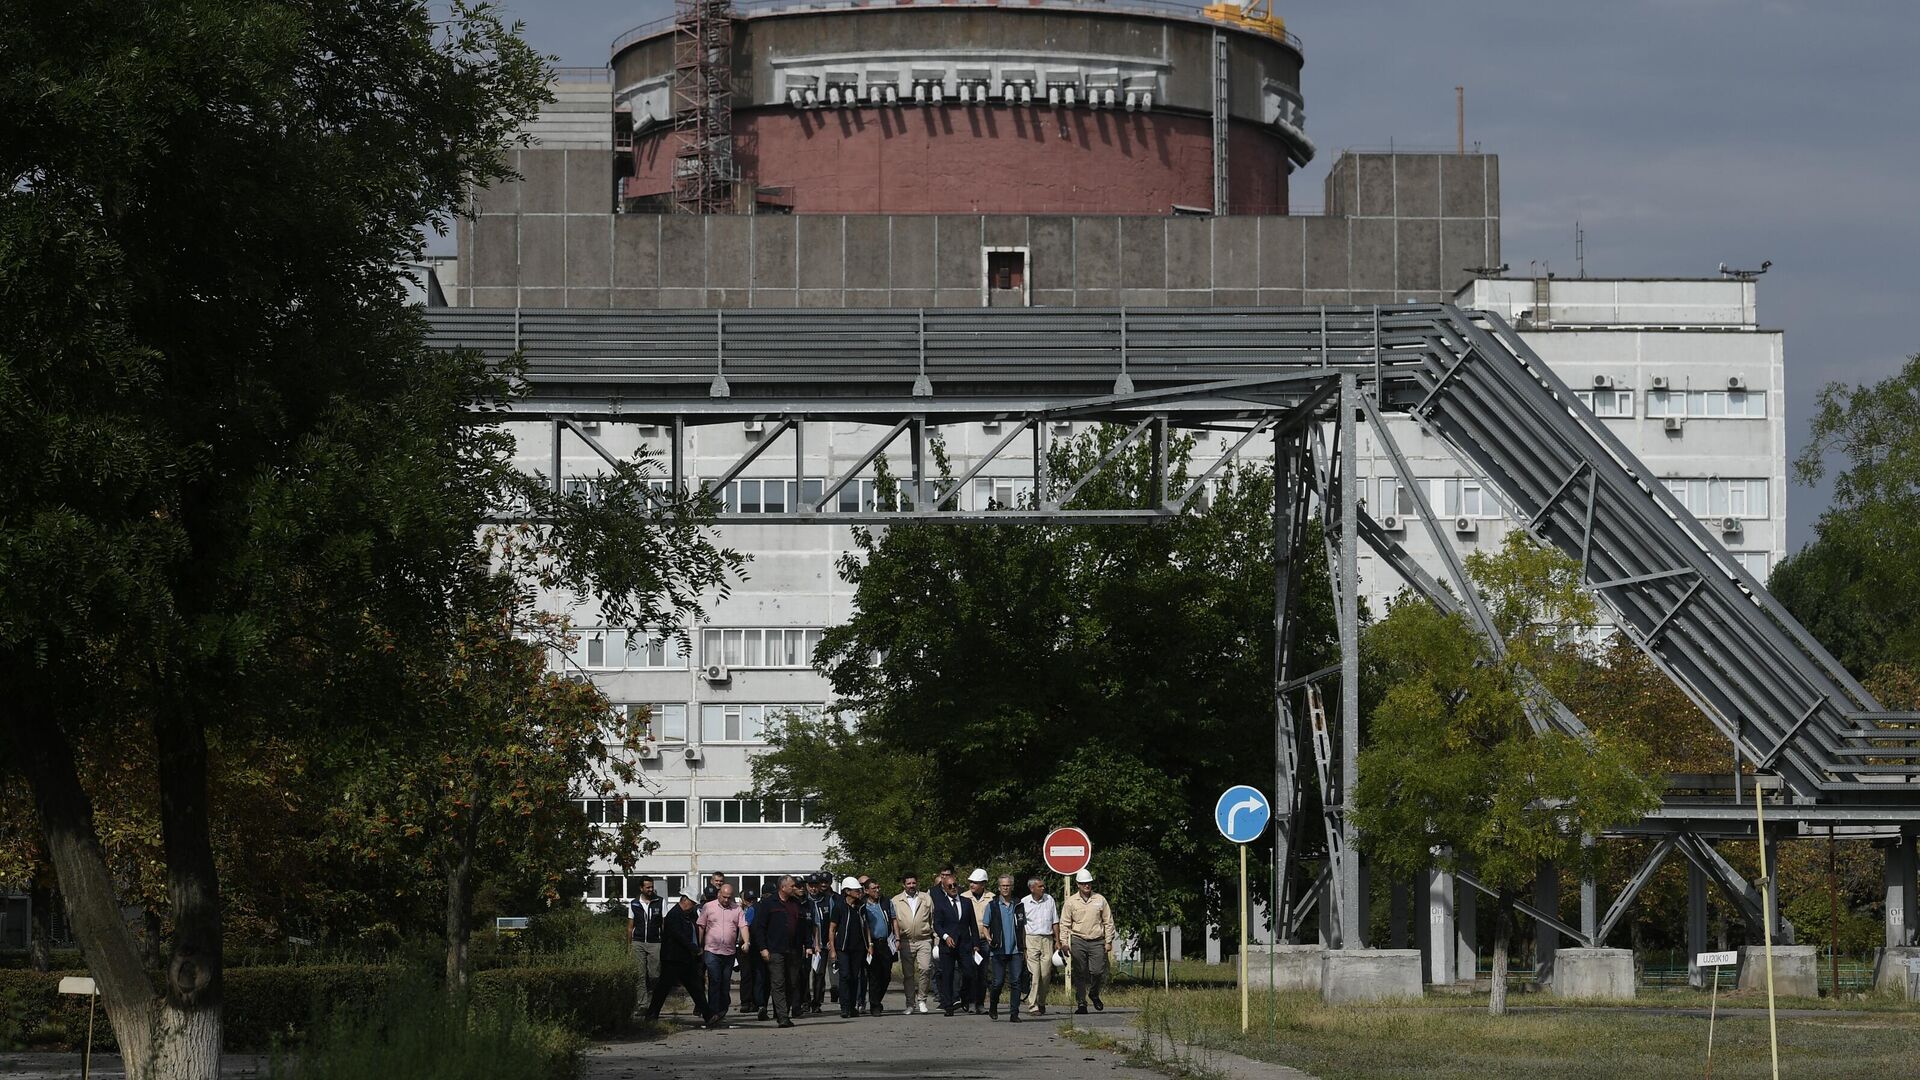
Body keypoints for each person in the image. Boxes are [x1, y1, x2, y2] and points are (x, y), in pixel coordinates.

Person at [645, 893, 724, 1028]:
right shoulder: (674, 915)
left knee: (695, 988)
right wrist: (694, 948)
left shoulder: (690, 915)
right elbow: (679, 936)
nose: (693, 906)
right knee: (663, 988)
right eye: (692, 903)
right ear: (685, 900)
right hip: (673, 959)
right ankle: (651, 1015)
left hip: (686, 959)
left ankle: (708, 1015)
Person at [752, 875, 816, 1028]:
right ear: (783, 887)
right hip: (775, 949)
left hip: (793, 949)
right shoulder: (768, 904)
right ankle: (782, 1017)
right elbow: (759, 928)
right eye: (793, 886)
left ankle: (781, 1011)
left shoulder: (796, 904)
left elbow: (804, 927)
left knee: (791, 983)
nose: (796, 888)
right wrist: (763, 948)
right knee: (778, 982)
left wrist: (808, 945)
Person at [1058, 868, 1116, 1013]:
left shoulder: (1100, 899)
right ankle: (1081, 1003)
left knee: (1097, 971)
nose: (1086, 886)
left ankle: (1094, 993)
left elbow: (1108, 921)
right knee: (1079, 972)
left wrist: (1108, 941)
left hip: (1097, 940)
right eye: (1083, 883)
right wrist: (1064, 942)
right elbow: (1064, 923)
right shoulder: (1071, 902)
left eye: (1088, 883)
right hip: (1078, 939)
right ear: (1078, 884)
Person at [697, 881, 750, 1019]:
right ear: (719, 894)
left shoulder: (736, 909)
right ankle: (713, 1011)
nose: (726, 900)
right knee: (715, 980)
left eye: (729, 897)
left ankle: (723, 1007)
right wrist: (699, 945)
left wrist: (746, 941)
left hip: (729, 952)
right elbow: (701, 926)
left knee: (725, 982)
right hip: (711, 950)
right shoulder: (708, 907)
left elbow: (743, 926)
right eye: (724, 897)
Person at [929, 864, 976, 1016]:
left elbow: (973, 924)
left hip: (964, 944)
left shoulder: (966, 902)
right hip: (947, 944)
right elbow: (937, 924)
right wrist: (945, 936)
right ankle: (948, 1005)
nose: (953, 888)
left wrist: (975, 944)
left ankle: (964, 995)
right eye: (950, 886)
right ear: (944, 888)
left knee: (969, 973)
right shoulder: (941, 905)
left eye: (955, 885)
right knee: (947, 975)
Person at [982, 875, 1027, 1022]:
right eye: (1003, 886)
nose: (1005, 888)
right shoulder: (992, 905)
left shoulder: (1018, 904)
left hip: (1016, 950)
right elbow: (985, 926)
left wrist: (1024, 947)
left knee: (1016, 981)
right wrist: (989, 938)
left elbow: (1022, 928)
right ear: (999, 887)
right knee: (998, 982)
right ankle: (993, 1006)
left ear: (1011, 886)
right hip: (998, 950)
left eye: (1008, 885)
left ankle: (1014, 1013)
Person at [890, 872, 936, 1014]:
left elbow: (932, 919)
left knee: (925, 969)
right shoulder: (896, 900)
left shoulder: (926, 898)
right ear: (903, 885)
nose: (911, 886)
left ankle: (922, 999)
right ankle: (910, 1003)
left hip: (924, 939)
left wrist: (936, 938)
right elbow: (893, 922)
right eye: (908, 883)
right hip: (906, 941)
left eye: (913, 883)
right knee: (908, 974)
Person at [827, 876, 871, 1019]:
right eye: (856, 890)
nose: (859, 892)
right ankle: (844, 1007)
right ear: (847, 891)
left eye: (859, 889)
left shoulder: (861, 907)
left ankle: (852, 1007)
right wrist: (832, 950)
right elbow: (832, 929)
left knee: (854, 977)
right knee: (845, 976)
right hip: (843, 948)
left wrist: (869, 945)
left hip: (858, 948)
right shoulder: (839, 907)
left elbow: (867, 927)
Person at [1019, 875, 1059, 1015]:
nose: (1043, 888)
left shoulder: (1049, 900)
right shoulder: (1024, 902)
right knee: (1034, 974)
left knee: (1046, 974)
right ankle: (1032, 1005)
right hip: (1031, 939)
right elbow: (1021, 926)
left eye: (1043, 886)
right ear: (1032, 888)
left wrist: (1057, 941)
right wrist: (1023, 946)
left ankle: (1041, 1001)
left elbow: (1055, 921)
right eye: (1040, 886)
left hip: (1047, 939)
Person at [627, 875, 664, 1003]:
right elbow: (630, 927)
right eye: (647, 887)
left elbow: (664, 924)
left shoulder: (660, 901)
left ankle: (655, 1002)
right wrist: (629, 945)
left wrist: (665, 943)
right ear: (641, 888)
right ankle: (642, 1003)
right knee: (640, 975)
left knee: (655, 975)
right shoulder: (634, 903)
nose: (650, 889)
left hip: (655, 943)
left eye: (652, 887)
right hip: (638, 942)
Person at [962, 867, 993, 1011]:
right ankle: (967, 1000)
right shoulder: (963, 897)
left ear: (983, 884)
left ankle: (979, 1003)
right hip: (968, 941)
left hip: (984, 940)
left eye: (975, 882)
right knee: (969, 972)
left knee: (982, 973)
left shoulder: (992, 898)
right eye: (971, 882)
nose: (972, 885)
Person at [803, 873, 834, 1014]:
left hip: (823, 945)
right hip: (807, 945)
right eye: (811, 885)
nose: (814, 889)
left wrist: (831, 941)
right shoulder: (803, 901)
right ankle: (805, 1001)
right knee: (804, 973)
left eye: (816, 885)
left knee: (819, 974)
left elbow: (834, 923)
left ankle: (817, 1002)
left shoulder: (827, 900)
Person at [863, 879, 894, 1015]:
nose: (877, 890)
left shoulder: (886, 902)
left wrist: (897, 938)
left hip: (886, 942)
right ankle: (874, 1005)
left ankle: (877, 1000)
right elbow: (865, 926)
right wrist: (869, 944)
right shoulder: (863, 905)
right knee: (874, 975)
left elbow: (894, 919)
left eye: (878, 887)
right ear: (866, 891)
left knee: (886, 975)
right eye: (873, 888)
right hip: (871, 944)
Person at [740, 887, 768, 1018]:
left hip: (753, 947)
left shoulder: (753, 909)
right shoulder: (750, 909)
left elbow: (746, 926)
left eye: (753, 899)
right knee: (755, 976)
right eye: (748, 899)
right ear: (744, 900)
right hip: (756, 946)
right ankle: (755, 1002)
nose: (751, 901)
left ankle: (756, 1003)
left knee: (755, 975)